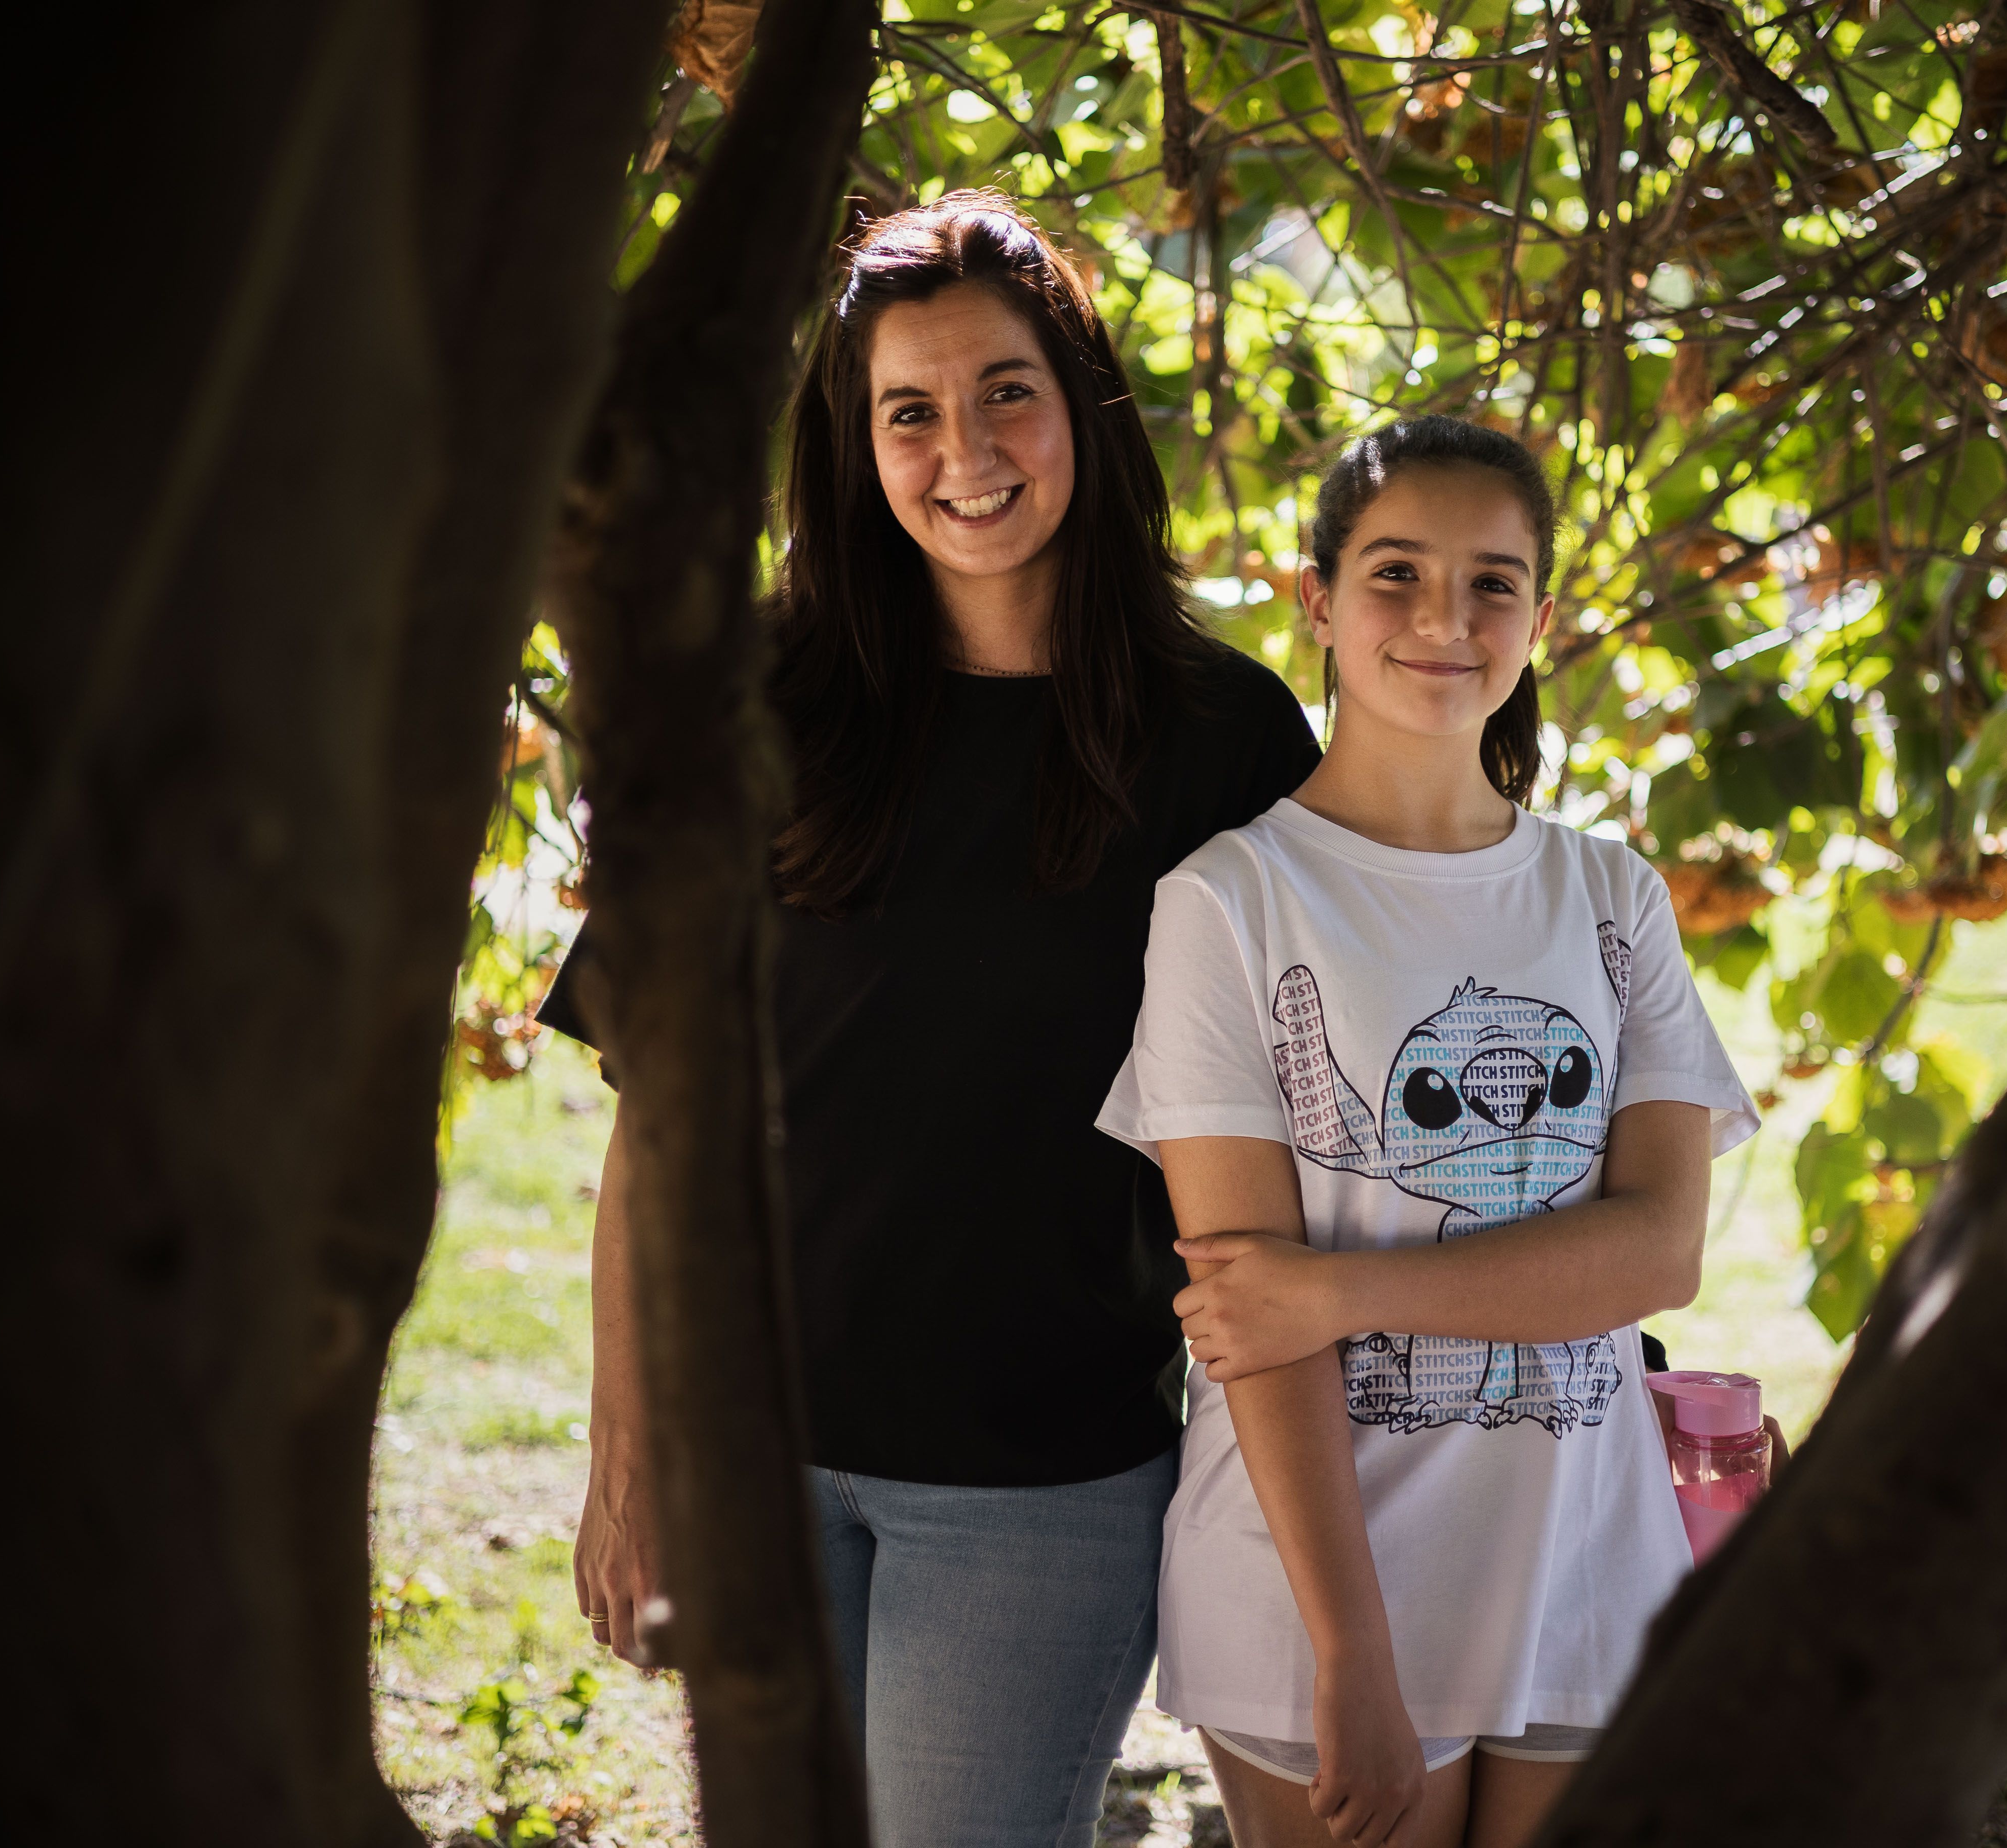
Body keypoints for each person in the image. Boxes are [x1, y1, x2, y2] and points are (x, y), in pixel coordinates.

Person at [542, 192, 1320, 1848]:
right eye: (910, 410)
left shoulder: (1223, 737)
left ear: (1084, 409)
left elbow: (1324, 1109)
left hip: (1038, 1485)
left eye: (1007, 391)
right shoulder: (755, 702)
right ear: (856, 444)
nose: (964, 447)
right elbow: (655, 1108)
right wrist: (631, 1447)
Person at [1096, 416, 1759, 1848]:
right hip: (1315, 1585)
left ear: (1543, 615)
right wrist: (1351, 1654)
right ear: (1316, 598)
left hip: (1588, 1563)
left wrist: (1343, 1290)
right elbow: (1243, 1311)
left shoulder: (1610, 898)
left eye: (1494, 582)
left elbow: (1658, 1251)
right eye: (1396, 573)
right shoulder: (1230, 903)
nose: (1446, 621)